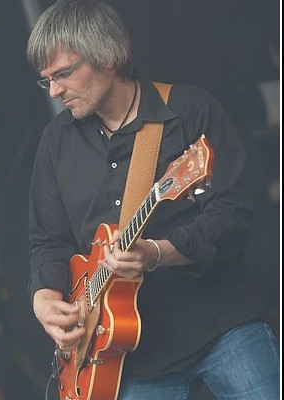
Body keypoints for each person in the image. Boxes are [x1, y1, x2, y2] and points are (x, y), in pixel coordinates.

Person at [26, 0, 280, 398]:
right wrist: (45, 301)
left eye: (63, 74)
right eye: (47, 80)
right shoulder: (56, 142)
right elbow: (48, 242)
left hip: (220, 326)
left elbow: (233, 214)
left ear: (107, 57)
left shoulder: (191, 111)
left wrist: (158, 253)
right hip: (126, 355)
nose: (55, 91)